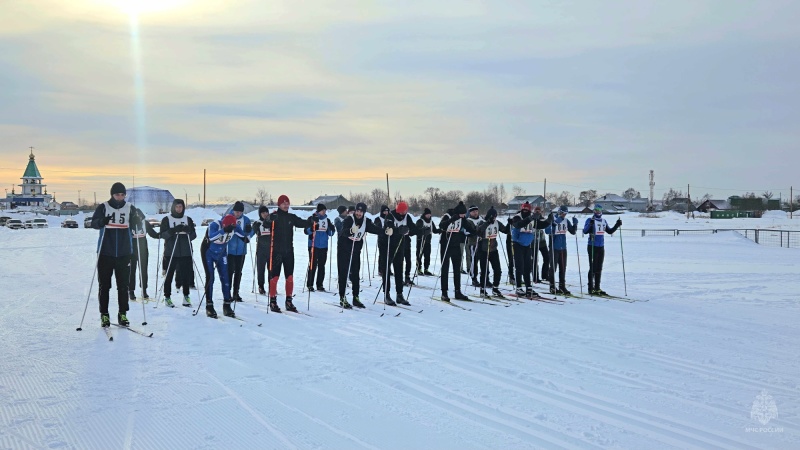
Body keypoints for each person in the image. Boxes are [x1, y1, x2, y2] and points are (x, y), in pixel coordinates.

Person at [90, 182, 146, 327]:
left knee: (123, 286)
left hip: (124, 252)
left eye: (122, 194)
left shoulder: (129, 208)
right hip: (105, 252)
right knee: (104, 285)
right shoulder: (104, 207)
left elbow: (138, 225)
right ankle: (104, 314)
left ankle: (123, 314)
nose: (120, 197)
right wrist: (102, 221)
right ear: (112, 194)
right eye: (117, 194)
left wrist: (137, 220)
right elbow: (94, 223)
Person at [267, 195, 314, 312]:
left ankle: (289, 301)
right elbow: (266, 224)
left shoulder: (291, 217)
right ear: (279, 205)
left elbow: (302, 223)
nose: (286, 205)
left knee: (290, 277)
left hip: (289, 251)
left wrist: (311, 221)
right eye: (283, 203)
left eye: (287, 203)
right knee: (275, 277)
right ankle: (272, 301)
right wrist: (269, 219)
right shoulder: (275, 216)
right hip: (276, 251)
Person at [337, 202, 383, 308]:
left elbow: (375, 229)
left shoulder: (366, 221)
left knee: (355, 275)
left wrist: (385, 231)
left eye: (361, 211)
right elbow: (343, 232)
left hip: (356, 250)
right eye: (357, 211)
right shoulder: (349, 219)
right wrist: (350, 230)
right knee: (343, 273)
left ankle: (356, 297)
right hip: (344, 249)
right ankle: (342, 297)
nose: (358, 213)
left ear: (364, 213)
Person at [159, 199, 198, 307]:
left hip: (185, 252)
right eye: (177, 207)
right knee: (169, 275)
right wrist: (172, 231)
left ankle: (186, 296)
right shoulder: (167, 219)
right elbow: (162, 235)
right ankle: (167, 297)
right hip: (171, 252)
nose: (179, 209)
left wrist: (188, 231)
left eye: (180, 207)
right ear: (173, 207)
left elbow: (194, 236)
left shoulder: (188, 219)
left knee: (185, 275)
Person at [201, 214, 240, 318]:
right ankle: (209, 306)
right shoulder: (214, 225)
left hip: (221, 253)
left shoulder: (235, 227)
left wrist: (248, 231)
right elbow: (212, 237)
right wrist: (223, 230)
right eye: (225, 226)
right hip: (208, 252)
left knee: (225, 278)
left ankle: (227, 305)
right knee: (210, 278)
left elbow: (246, 237)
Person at [511, 201, 553, 298]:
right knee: (519, 266)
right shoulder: (517, 217)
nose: (525, 211)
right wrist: (530, 218)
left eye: (527, 210)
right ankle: (518, 287)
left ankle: (528, 287)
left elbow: (540, 225)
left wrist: (548, 221)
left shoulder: (533, 218)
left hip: (527, 245)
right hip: (517, 244)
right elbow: (518, 225)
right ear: (522, 209)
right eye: (524, 209)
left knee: (528, 267)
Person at [436, 201, 476, 302]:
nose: (463, 216)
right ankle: (444, 292)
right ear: (458, 213)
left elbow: (468, 227)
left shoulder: (462, 218)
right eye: (462, 214)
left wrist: (476, 232)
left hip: (455, 245)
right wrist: (451, 220)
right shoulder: (447, 216)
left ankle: (458, 291)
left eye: (464, 214)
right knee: (445, 269)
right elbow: (441, 226)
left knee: (457, 269)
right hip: (446, 245)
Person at [583, 204, 622, 296]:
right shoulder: (590, 220)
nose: (597, 212)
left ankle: (597, 288)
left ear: (601, 211)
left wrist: (617, 225)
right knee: (592, 267)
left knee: (599, 267)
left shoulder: (604, 221)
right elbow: (585, 231)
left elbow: (609, 231)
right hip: (592, 246)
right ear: (594, 211)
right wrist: (590, 225)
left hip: (601, 247)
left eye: (599, 210)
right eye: (596, 210)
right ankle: (590, 288)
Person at [384, 201, 415, 305]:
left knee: (399, 270)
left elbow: (412, 228)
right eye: (401, 212)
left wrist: (422, 231)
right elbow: (388, 227)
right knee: (387, 270)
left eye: (405, 212)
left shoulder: (407, 217)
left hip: (401, 245)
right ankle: (386, 294)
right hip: (388, 245)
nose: (403, 214)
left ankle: (399, 294)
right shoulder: (390, 215)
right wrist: (399, 230)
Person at [475, 206, 508, 298]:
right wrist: (488, 222)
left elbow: (505, 230)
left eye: (495, 216)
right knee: (484, 271)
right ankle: (482, 289)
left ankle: (495, 288)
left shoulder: (497, 223)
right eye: (492, 216)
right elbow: (478, 231)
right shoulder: (482, 222)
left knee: (498, 270)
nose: (494, 218)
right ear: (489, 216)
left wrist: (509, 224)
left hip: (493, 250)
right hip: (483, 250)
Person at [546, 205, 578, 295]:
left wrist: (575, 224)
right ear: (559, 212)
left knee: (563, 267)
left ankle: (562, 286)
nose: (564, 215)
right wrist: (555, 222)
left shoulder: (566, 221)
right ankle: (552, 286)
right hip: (554, 247)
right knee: (553, 267)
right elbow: (547, 231)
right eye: (563, 213)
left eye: (566, 213)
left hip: (563, 248)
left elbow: (572, 232)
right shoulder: (553, 219)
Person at [305, 203, 336, 292]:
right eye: (322, 210)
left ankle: (320, 284)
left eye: (325, 210)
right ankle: (310, 284)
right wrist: (312, 228)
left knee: (322, 266)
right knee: (312, 265)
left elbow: (331, 233)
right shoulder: (312, 219)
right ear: (318, 211)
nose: (324, 212)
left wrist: (331, 229)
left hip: (323, 246)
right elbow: (306, 231)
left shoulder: (327, 220)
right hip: (313, 245)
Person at [226, 201, 254, 302]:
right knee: (229, 271)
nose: (237, 214)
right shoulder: (228, 217)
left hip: (241, 250)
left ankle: (236, 292)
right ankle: (227, 292)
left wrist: (248, 231)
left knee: (238, 272)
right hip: (230, 250)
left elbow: (250, 232)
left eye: (240, 212)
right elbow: (222, 226)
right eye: (236, 211)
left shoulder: (246, 219)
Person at [128, 215, 159, 301]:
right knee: (131, 269)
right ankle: (131, 290)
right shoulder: (129, 221)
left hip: (143, 247)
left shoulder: (145, 222)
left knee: (143, 269)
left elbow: (152, 233)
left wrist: (160, 235)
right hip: (132, 247)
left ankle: (144, 290)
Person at [252, 206, 272, 295]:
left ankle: (272, 286)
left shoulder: (272, 222)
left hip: (271, 249)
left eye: (266, 212)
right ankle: (261, 286)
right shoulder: (257, 223)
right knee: (261, 269)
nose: (265, 214)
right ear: (260, 214)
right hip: (261, 250)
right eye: (263, 213)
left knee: (271, 269)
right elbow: (253, 232)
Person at [531, 205, 551, 286]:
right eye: (536, 210)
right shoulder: (532, 219)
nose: (538, 212)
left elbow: (546, 229)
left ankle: (545, 275)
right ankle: (535, 276)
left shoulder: (543, 219)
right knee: (535, 260)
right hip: (533, 242)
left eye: (539, 210)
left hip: (542, 242)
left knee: (547, 258)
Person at [415, 207, 438, 276]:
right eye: (427, 214)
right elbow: (417, 230)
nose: (428, 216)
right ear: (424, 214)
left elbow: (434, 230)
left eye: (429, 214)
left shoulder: (431, 221)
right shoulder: (420, 221)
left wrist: (441, 230)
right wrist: (423, 231)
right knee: (419, 255)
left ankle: (426, 269)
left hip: (428, 241)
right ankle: (419, 269)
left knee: (427, 256)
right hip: (421, 241)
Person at [465, 205, 483, 286]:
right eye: (473, 212)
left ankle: (485, 278)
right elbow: (466, 232)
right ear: (470, 212)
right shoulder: (468, 221)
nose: (475, 213)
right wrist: (475, 232)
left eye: (476, 211)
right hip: (473, 243)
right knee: (474, 262)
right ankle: (474, 278)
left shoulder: (481, 219)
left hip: (482, 244)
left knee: (483, 261)